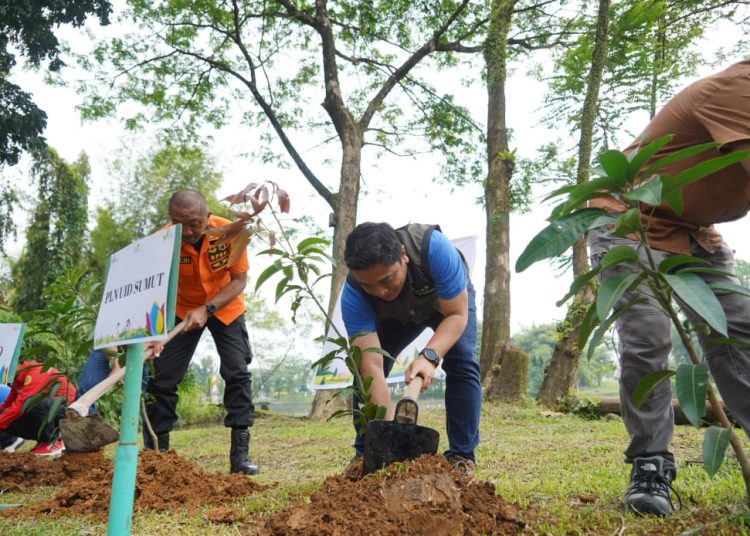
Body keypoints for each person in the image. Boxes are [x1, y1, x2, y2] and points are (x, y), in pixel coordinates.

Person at [588, 59, 750, 516]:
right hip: (629, 224)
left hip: (693, 231)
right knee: (647, 337)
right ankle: (650, 464)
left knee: (737, 331)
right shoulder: (743, 86)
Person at [341, 222, 481, 477]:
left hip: (446, 306)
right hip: (395, 315)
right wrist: (389, 435)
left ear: (403, 255)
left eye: (386, 279)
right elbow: (371, 365)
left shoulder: (434, 249)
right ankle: (365, 453)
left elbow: (457, 316)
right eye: (369, 286)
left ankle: (462, 455)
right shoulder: (353, 294)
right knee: (363, 375)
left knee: (462, 362)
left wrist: (429, 356)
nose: (380, 291)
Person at [145, 189, 258, 475]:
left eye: (194, 223)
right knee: (162, 378)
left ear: (208, 216)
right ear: (171, 219)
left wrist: (207, 309)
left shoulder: (230, 232)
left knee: (237, 372)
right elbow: (153, 289)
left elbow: (239, 280)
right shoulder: (162, 242)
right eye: (179, 223)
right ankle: (157, 457)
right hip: (180, 310)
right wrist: (154, 331)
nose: (187, 231)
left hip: (225, 306)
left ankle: (240, 457)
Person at [0, 361, 77, 456]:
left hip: (64, 411)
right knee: (5, 412)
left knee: (30, 401)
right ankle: (43, 440)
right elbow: (8, 404)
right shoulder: (17, 380)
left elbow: (20, 405)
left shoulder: (35, 371)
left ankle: (53, 441)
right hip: (47, 412)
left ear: (15, 364)